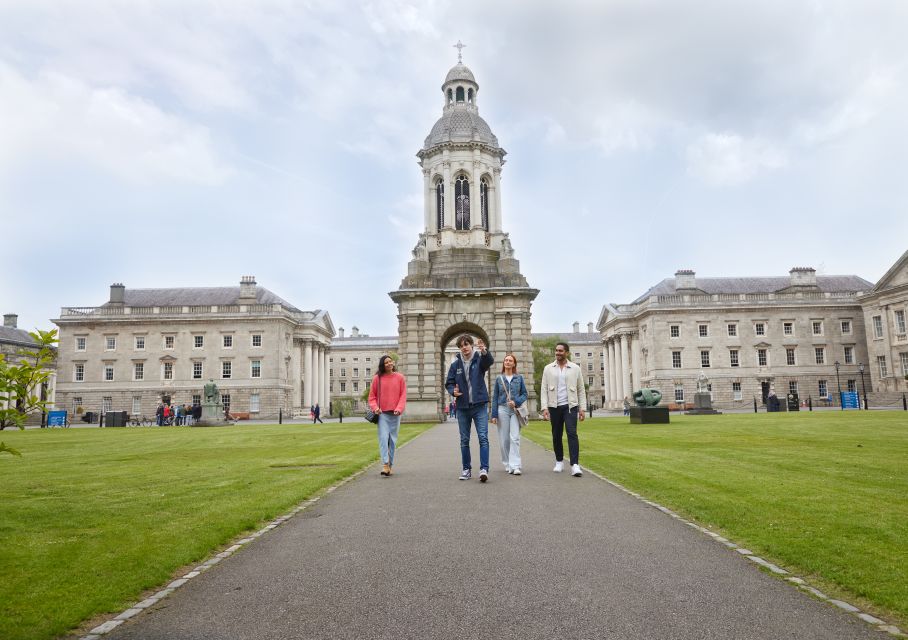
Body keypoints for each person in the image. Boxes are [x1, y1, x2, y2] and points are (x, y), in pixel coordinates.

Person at [446, 335, 494, 482]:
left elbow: (489, 362)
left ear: (472, 346)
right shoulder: (455, 365)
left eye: (466, 345)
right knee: (464, 440)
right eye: (461, 345)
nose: (464, 348)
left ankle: (484, 469)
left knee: (483, 438)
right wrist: (452, 391)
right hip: (462, 407)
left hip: (479, 405)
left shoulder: (479, 359)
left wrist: (484, 351)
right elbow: (449, 383)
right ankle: (466, 469)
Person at [540, 341, 587, 477]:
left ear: (566, 353)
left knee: (572, 433)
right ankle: (559, 461)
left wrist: (582, 408)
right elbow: (543, 389)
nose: (558, 353)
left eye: (560, 351)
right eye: (556, 350)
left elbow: (581, 389)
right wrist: (544, 407)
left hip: (570, 406)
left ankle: (575, 465)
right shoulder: (548, 368)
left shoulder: (575, 368)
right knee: (556, 435)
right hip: (554, 406)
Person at [368, 355, 407, 477]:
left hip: (395, 414)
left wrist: (399, 409)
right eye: (386, 362)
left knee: (393, 440)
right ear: (382, 365)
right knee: (384, 439)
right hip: (383, 413)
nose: (390, 363)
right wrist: (376, 408)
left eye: (391, 361)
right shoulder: (377, 379)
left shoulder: (400, 378)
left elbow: (403, 396)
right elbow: (372, 397)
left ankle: (390, 465)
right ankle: (385, 464)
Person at [490, 353, 528, 475]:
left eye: (510, 360)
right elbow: (495, 397)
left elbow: (525, 394)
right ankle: (507, 463)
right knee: (504, 439)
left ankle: (516, 465)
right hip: (502, 409)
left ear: (514, 364)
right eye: (506, 360)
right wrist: (494, 415)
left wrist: (516, 401)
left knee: (515, 438)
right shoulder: (498, 379)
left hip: (515, 411)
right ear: (503, 363)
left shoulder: (519, 378)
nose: (507, 362)